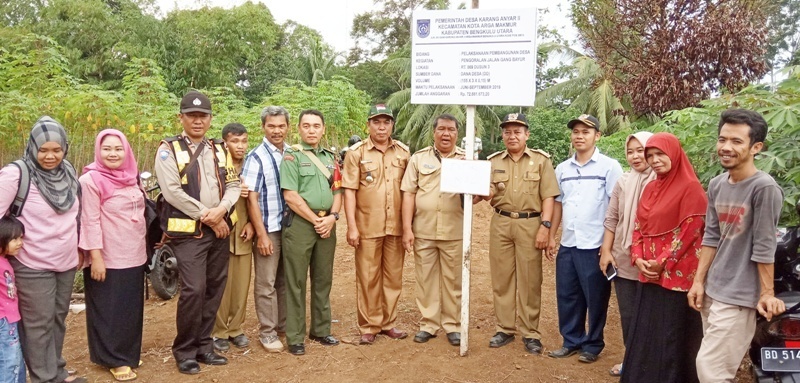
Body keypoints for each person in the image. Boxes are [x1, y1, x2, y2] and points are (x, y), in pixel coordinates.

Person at [689, 109, 785, 383]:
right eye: (722, 139)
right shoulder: (718, 184)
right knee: (714, 367)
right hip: (713, 289)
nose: (726, 147)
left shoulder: (764, 188)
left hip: (739, 296)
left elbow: (765, 245)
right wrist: (699, 282)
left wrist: (767, 293)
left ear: (756, 147)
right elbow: (710, 236)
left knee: (711, 371)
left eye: (736, 141)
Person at [153, 90, 240, 374]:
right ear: (181, 117)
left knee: (215, 288)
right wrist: (208, 216)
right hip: (190, 233)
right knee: (194, 289)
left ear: (210, 119)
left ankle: (205, 346)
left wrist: (222, 210)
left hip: (219, 230)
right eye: (192, 115)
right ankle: (185, 350)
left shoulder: (219, 149)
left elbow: (235, 185)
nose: (198, 121)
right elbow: (172, 192)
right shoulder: (168, 149)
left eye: (203, 116)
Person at [0, 116, 85, 383]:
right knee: (38, 324)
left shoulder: (68, 170)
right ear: (32, 146)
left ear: (65, 149)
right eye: (43, 150)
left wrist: (81, 247)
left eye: (57, 150)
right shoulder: (16, 174)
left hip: (66, 261)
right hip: (31, 262)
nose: (50, 156)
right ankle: (43, 377)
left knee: (58, 319)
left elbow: (76, 214)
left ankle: (56, 370)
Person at [620, 132, 707, 383]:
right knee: (648, 330)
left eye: (660, 154)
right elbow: (638, 227)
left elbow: (691, 232)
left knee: (672, 334)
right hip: (649, 274)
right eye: (650, 156)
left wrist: (662, 262)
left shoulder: (691, 188)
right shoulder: (650, 188)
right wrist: (637, 259)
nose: (655, 160)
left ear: (674, 153)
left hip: (676, 277)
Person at [479, 113, 560, 354]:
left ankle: (530, 332)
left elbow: (549, 197)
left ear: (527, 135)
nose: (512, 136)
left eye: (517, 131)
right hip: (501, 222)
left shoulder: (541, 161)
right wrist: (476, 190)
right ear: (502, 135)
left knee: (530, 280)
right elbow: (487, 193)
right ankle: (504, 328)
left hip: (531, 223)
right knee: (502, 278)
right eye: (507, 132)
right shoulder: (493, 162)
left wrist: (545, 227)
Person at [548, 114, 622, 363]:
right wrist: (551, 236)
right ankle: (571, 340)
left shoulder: (609, 167)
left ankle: (593, 344)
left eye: (585, 132)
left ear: (597, 136)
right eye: (576, 132)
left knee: (596, 296)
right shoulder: (562, 169)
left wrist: (608, 246)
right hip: (569, 243)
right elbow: (558, 204)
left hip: (595, 245)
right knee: (567, 295)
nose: (579, 136)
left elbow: (615, 207)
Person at [79, 129, 147, 382]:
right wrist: (95, 256)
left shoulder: (132, 176)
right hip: (108, 255)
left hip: (134, 252)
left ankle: (127, 353)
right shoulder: (90, 181)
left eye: (118, 148)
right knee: (108, 308)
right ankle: (113, 358)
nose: (113, 153)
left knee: (129, 307)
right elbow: (90, 220)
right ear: (98, 150)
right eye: (107, 148)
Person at [343, 104, 410, 345]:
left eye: (386, 122)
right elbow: (349, 191)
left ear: (392, 125)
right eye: (376, 122)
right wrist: (351, 226)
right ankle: (369, 325)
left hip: (396, 226)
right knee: (368, 277)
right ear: (368, 125)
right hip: (367, 225)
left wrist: (408, 226)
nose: (381, 127)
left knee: (393, 277)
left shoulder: (403, 152)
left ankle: (388, 323)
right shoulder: (356, 153)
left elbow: (410, 190)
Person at [280, 109, 343, 356]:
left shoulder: (331, 158)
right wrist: (316, 221)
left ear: (323, 129)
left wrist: (332, 218)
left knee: (323, 279)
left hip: (327, 224)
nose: (311, 130)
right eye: (306, 126)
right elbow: (291, 196)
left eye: (316, 126)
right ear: (299, 129)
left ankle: (321, 329)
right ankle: (295, 337)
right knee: (296, 281)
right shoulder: (292, 157)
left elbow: (338, 191)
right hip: (301, 226)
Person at [400, 114, 466, 346]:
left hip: (454, 231)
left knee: (453, 280)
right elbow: (408, 193)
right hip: (424, 230)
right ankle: (429, 323)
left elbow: (475, 197)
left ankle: (453, 325)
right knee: (425, 279)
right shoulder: (418, 159)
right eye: (441, 129)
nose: (446, 134)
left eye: (451, 130)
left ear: (457, 133)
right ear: (434, 132)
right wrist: (407, 228)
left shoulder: (467, 160)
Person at [597, 132, 656, 376]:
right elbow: (612, 219)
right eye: (630, 151)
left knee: (652, 314)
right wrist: (606, 251)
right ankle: (631, 360)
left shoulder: (662, 180)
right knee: (629, 314)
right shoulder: (623, 181)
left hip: (653, 261)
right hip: (624, 258)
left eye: (640, 150)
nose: (634, 156)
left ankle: (653, 364)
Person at [241, 106, 290, 353]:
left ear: (287, 127)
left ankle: (283, 325)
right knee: (266, 283)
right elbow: (251, 197)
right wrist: (261, 234)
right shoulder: (256, 156)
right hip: (269, 229)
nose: (277, 130)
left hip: (290, 228)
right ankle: (268, 332)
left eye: (281, 125)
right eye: (271, 126)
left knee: (284, 279)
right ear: (263, 127)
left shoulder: (291, 153)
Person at [212, 123, 255, 351]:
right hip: (221, 232)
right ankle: (218, 331)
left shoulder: (251, 165)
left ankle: (236, 328)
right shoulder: (216, 166)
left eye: (243, 141)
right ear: (224, 143)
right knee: (222, 284)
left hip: (244, 233)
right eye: (234, 141)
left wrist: (251, 224)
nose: (240, 146)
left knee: (241, 283)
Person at [0, 216, 25, 383]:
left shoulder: (5, 262)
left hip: (9, 319)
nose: (20, 243)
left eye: (21, 238)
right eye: (15, 239)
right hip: (4, 321)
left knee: (13, 360)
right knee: (11, 362)